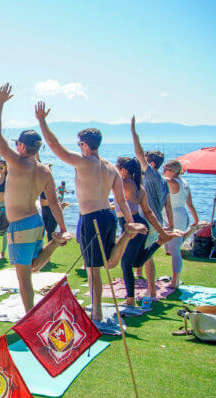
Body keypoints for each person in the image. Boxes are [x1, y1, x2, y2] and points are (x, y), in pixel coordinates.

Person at [36, 100, 147, 322]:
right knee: (105, 264)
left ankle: (96, 314)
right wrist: (128, 219)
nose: (78, 148)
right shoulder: (110, 167)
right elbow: (121, 201)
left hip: (91, 219)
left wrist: (42, 121)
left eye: (79, 144)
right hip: (107, 216)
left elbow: (55, 146)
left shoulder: (84, 162)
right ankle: (127, 233)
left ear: (85, 144)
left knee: (93, 269)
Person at [0, 84, 71, 311]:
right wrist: (62, 228)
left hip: (20, 224)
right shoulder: (45, 170)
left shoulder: (17, 161)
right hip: (37, 222)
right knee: (32, 267)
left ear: (22, 146)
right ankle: (53, 242)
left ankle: (29, 317)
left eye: (17, 143)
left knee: (24, 277)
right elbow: (53, 203)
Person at [114, 157, 175, 305]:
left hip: (132, 225)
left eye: (117, 168)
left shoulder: (123, 184)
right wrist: (161, 232)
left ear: (124, 170)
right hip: (142, 225)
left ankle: (130, 299)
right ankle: (159, 242)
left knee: (126, 263)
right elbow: (148, 213)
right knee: (137, 262)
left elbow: (122, 203)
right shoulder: (139, 187)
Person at [131, 116, 174, 293]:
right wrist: (169, 224)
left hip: (150, 220)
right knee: (144, 254)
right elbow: (167, 204)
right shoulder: (163, 180)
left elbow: (139, 154)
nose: (142, 162)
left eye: (146, 160)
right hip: (156, 221)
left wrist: (133, 133)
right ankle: (141, 277)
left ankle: (151, 290)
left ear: (152, 163)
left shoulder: (151, 174)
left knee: (148, 256)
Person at [163, 160, 201, 289]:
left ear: (172, 170)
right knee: (169, 248)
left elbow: (157, 180)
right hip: (179, 214)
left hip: (176, 216)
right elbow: (189, 204)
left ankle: (175, 281)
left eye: (165, 169)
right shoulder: (184, 183)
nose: (163, 172)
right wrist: (196, 220)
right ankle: (188, 233)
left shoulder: (171, 182)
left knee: (174, 250)